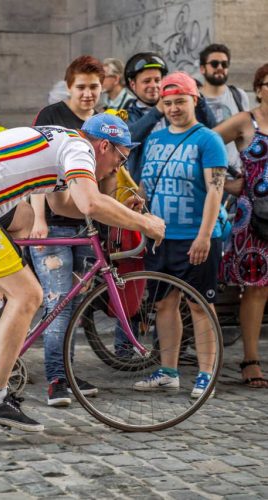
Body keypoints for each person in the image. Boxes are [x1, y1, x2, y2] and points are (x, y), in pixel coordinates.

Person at [0, 113, 166, 431]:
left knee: (23, 217)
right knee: (29, 295)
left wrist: (118, 214)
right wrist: (145, 222)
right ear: (104, 146)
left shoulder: (64, 143)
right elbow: (90, 204)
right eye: (120, 159)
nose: (117, 169)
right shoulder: (80, 149)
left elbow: (64, 206)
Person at [134, 72, 227, 398]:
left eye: (180, 101)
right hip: (160, 236)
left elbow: (215, 192)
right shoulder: (155, 140)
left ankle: (206, 373)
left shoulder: (208, 139)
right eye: (168, 102)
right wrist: (139, 213)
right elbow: (146, 185)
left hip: (196, 236)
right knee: (163, 304)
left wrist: (204, 236)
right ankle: (168, 370)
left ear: (194, 100)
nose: (173, 108)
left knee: (200, 304)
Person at [29, 55, 104, 407]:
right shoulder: (52, 117)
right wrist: (38, 219)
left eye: (94, 87)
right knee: (57, 304)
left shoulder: (102, 122)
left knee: (73, 306)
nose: (87, 94)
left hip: (86, 229)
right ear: (69, 86)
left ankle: (68, 373)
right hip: (54, 227)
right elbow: (37, 172)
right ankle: (56, 379)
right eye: (81, 87)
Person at [215, 63, 268, 388]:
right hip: (256, 219)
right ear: (259, 87)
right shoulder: (246, 121)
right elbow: (204, 145)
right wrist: (225, 183)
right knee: (257, 289)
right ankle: (250, 360)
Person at [123, 52, 217, 183]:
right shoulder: (126, 115)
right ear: (133, 85)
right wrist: (157, 111)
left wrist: (197, 97)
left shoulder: (177, 109)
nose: (154, 85)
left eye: (157, 80)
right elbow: (127, 139)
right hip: (144, 189)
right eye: (146, 81)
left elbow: (212, 129)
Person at [199, 43, 250, 176]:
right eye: (214, 64)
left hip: (235, 176)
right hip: (204, 175)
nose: (220, 68)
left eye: (224, 64)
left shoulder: (239, 95)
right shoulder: (193, 99)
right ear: (202, 69)